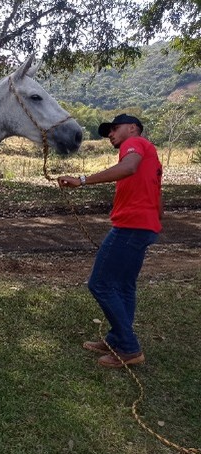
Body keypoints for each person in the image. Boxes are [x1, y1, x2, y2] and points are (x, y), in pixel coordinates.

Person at [58, 114, 163, 368]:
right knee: (124, 285)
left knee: (100, 284)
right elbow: (155, 190)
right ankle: (118, 339)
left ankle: (129, 347)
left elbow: (129, 168)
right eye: (108, 133)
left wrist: (82, 180)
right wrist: (155, 220)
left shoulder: (134, 144)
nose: (111, 135)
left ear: (133, 128)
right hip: (143, 225)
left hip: (131, 225)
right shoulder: (149, 152)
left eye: (115, 129)